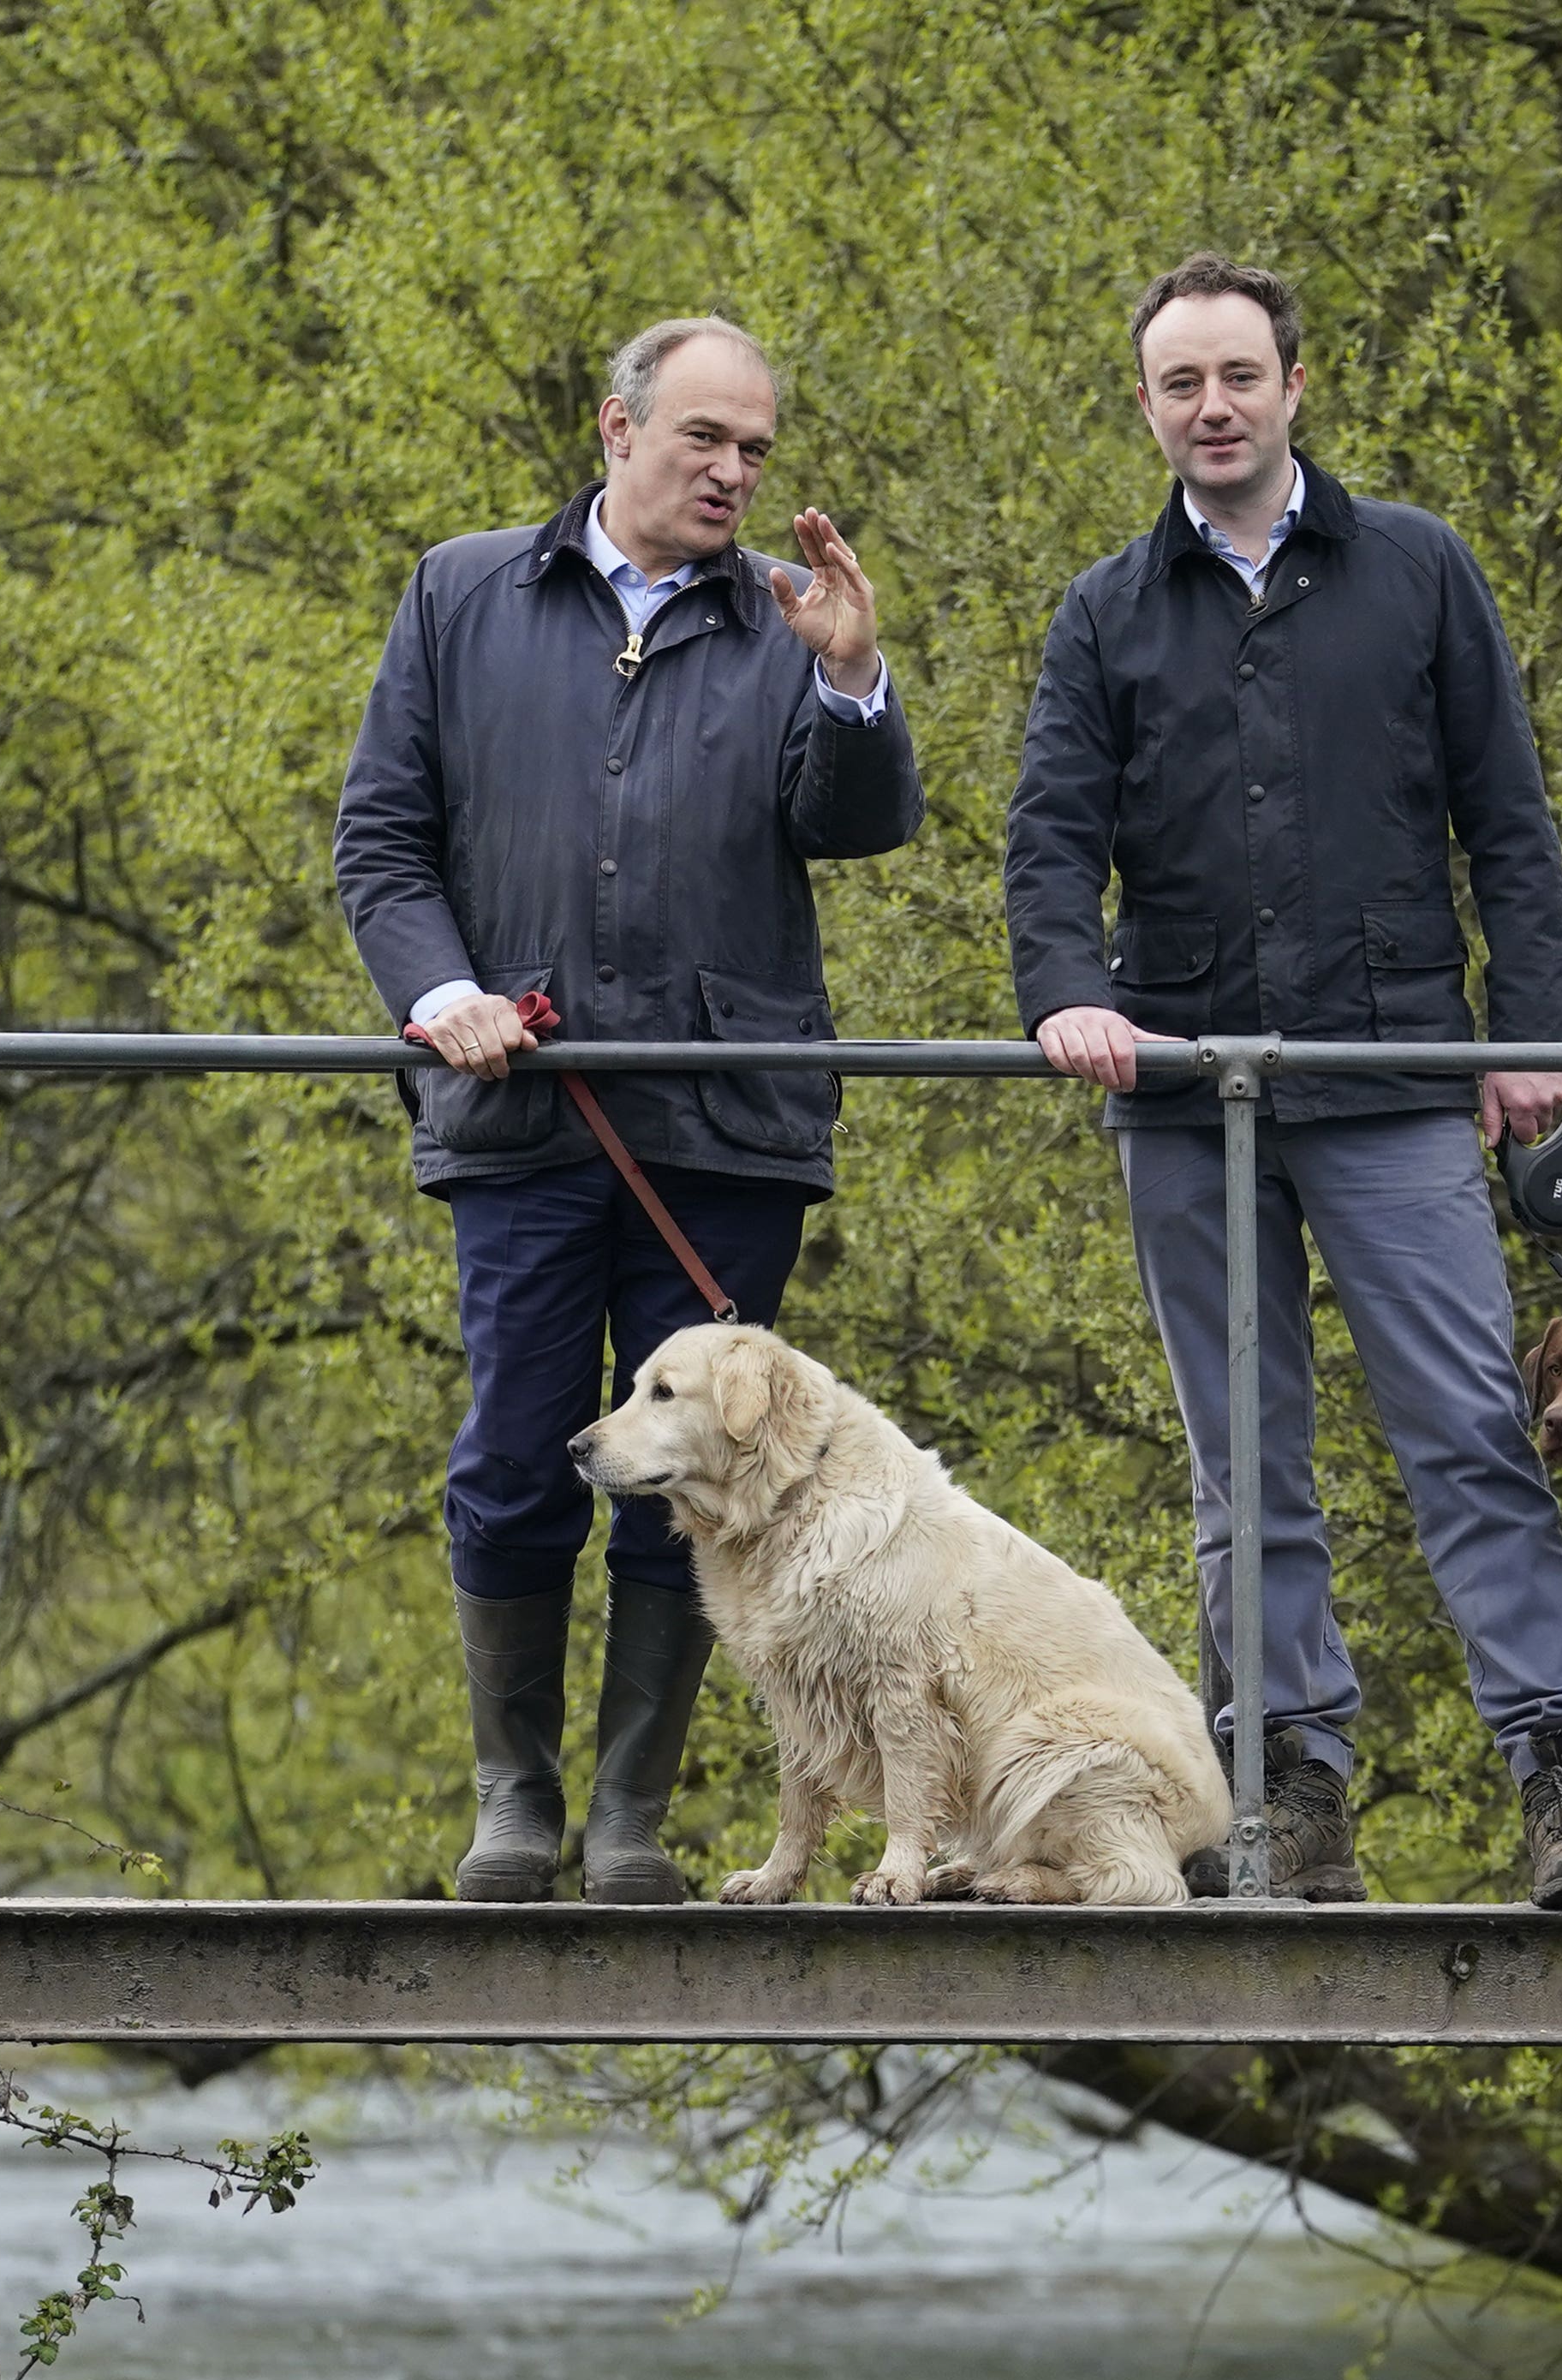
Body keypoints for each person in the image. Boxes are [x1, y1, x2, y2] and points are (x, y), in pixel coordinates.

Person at [1003, 252, 1562, 1911]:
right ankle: (1291, 1802)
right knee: (1245, 1471)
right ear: (1143, 408)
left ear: (1296, 385)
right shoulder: (1102, 613)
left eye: (1237, 377)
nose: (1211, 407)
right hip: (1183, 1088)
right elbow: (1051, 845)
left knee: (1473, 1439)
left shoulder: (1419, 571)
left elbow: (1509, 823)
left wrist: (1535, 1033)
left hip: (1395, 1081)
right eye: (1178, 385)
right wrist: (1070, 998)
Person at [337, 317, 919, 1903]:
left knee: (706, 1480)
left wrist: (854, 679)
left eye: (755, 452)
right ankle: (514, 1804)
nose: (734, 474)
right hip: (519, 1120)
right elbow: (381, 840)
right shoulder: (464, 591)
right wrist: (437, 988)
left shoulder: (788, 621)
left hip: (726, 1127)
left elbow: (856, 825)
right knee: (522, 1448)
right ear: (618, 428)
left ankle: (629, 1823)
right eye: (704, 441)